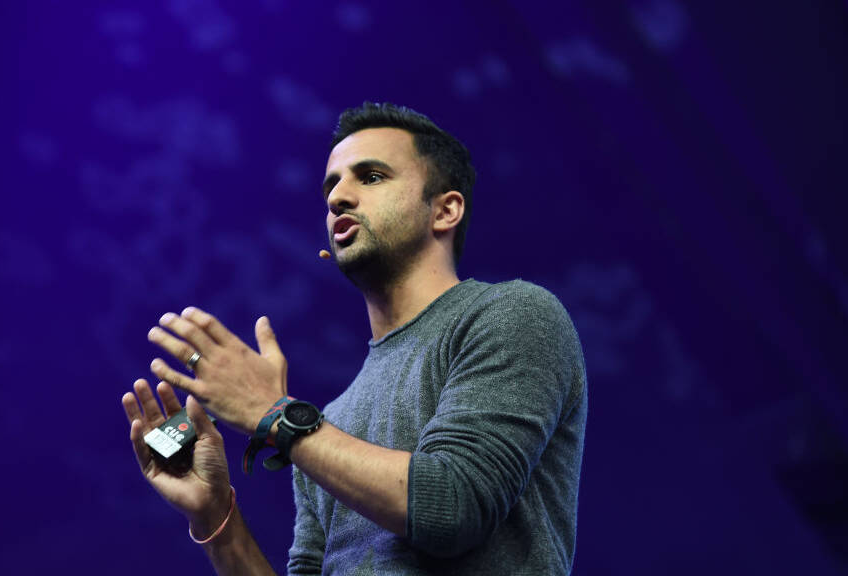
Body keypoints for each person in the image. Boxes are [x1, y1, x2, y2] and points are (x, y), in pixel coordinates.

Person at [121, 102, 587, 575]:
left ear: (445, 210)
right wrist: (217, 517)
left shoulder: (514, 313)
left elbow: (453, 507)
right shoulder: (329, 424)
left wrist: (273, 413)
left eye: (371, 177)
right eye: (331, 186)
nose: (338, 198)